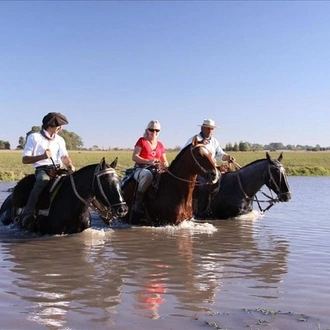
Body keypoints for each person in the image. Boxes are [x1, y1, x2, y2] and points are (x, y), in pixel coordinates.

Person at [21, 112, 75, 227]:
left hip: (59, 169)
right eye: (59, 125)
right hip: (42, 170)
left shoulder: (60, 139)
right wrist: (43, 157)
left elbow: (64, 156)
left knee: (76, 182)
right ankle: (28, 212)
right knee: (42, 181)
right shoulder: (34, 137)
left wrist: (69, 165)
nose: (61, 128)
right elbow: (25, 160)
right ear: (50, 125)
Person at [131, 120, 168, 213]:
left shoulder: (160, 144)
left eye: (157, 130)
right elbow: (134, 157)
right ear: (147, 130)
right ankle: (137, 202)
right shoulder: (142, 141)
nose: (154, 132)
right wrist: (149, 161)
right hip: (141, 169)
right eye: (152, 130)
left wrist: (165, 165)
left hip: (157, 169)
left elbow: (164, 160)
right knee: (148, 175)